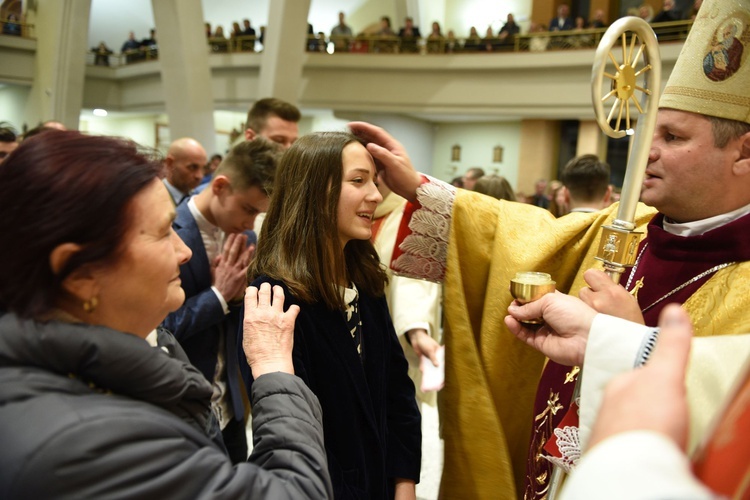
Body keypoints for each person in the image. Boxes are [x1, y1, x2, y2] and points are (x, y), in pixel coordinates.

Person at [348, 1, 750, 494]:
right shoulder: (633, 224)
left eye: (672, 136)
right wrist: (423, 190)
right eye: (651, 132)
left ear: (743, 153)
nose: (649, 149)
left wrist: (633, 344)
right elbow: (525, 235)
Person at [0, 130, 332, 498]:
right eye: (162, 233)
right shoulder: (85, 446)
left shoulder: (141, 342)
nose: (183, 251)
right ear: (81, 273)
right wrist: (272, 367)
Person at [247, 131, 422, 498]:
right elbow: (289, 426)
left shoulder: (364, 277)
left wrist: (404, 481)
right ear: (314, 190)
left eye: (374, 181)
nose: (375, 194)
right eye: (358, 180)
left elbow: (397, 390)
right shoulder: (275, 298)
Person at [162, 139, 281, 464]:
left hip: (230, 404)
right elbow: (157, 329)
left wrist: (240, 298)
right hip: (179, 407)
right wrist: (217, 297)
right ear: (221, 186)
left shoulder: (247, 237)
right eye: (248, 209)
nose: (251, 221)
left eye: (259, 213)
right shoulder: (168, 231)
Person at [372, 171, 443, 407]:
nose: (374, 182)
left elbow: (412, 277)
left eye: (379, 173)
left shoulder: (410, 214)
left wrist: (416, 330)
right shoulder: (337, 212)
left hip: (389, 343)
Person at [162, 137, 207, 205]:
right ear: (170, 163)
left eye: (203, 168)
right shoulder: (153, 200)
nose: (199, 176)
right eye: (192, 167)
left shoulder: (196, 199)